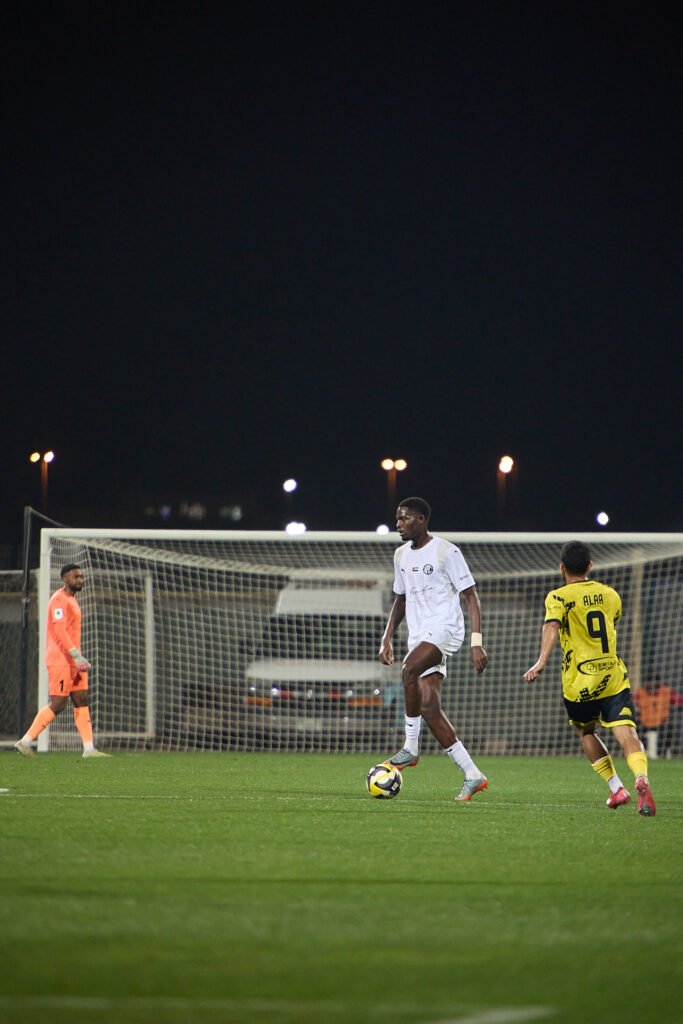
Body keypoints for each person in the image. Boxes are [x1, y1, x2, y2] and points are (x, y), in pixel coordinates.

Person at [523, 540, 655, 816]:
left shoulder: (558, 597)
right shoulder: (610, 594)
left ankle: (616, 788)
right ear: (590, 565)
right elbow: (613, 622)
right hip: (612, 675)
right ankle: (641, 776)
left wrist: (542, 660)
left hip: (580, 681)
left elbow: (551, 626)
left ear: (561, 567)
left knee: (586, 731)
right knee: (626, 731)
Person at [378, 497, 489, 802]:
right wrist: (387, 638)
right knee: (428, 708)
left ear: (421, 519)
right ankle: (473, 774)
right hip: (419, 635)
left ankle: (410, 748)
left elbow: (471, 596)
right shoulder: (401, 555)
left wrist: (476, 642)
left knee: (408, 670)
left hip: (445, 629)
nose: (398, 524)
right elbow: (400, 599)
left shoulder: (446, 551)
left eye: (404, 518)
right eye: (397, 518)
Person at [15, 563, 110, 759]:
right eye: (76, 576)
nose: (80, 579)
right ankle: (25, 742)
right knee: (58, 703)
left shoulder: (72, 600)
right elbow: (59, 629)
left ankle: (89, 749)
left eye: (81, 576)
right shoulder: (58, 600)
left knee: (81, 699)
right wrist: (76, 655)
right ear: (65, 579)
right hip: (60, 659)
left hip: (74, 660)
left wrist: (77, 657)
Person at [633, 675, 683, 758]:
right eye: (649, 683)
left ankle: (664, 754)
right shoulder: (639, 693)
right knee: (632, 729)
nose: (652, 685)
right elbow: (629, 702)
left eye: (654, 683)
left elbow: (680, 701)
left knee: (669, 729)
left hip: (662, 723)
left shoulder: (666, 692)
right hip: (644, 724)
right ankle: (639, 752)